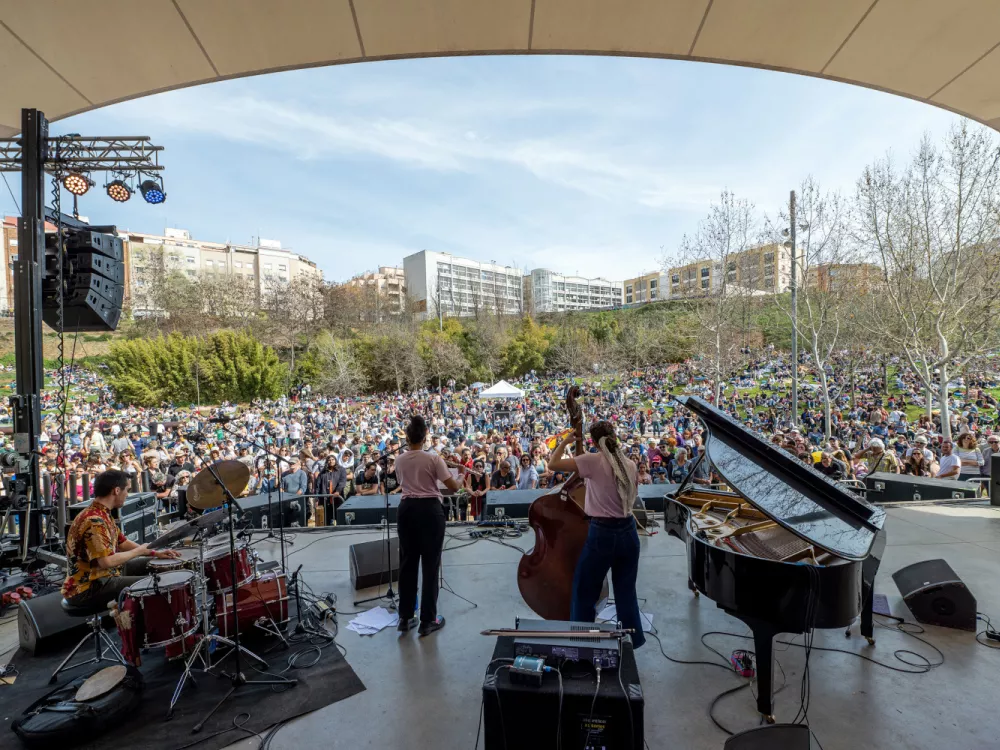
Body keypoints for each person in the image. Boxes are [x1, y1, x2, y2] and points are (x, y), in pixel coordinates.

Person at [546, 420, 645, 649]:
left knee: (584, 591)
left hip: (602, 534)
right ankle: (632, 642)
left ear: (593, 441)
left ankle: (582, 641)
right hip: (629, 533)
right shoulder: (629, 464)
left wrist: (565, 442)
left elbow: (552, 464)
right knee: (626, 593)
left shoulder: (591, 461)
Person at [62, 469, 181, 604]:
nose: (127, 495)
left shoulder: (101, 513)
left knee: (158, 565)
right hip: (87, 587)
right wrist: (138, 551)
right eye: (127, 490)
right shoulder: (95, 520)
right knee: (155, 583)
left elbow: (122, 542)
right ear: (116, 491)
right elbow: (106, 561)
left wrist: (154, 553)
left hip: (103, 575)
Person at [393, 415, 460, 636]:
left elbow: (404, 483)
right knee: (431, 565)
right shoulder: (433, 459)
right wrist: (462, 480)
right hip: (430, 511)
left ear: (408, 437)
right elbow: (452, 487)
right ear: (424, 437)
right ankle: (427, 620)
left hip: (406, 509)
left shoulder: (399, 460)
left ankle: (404, 618)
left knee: (407, 563)